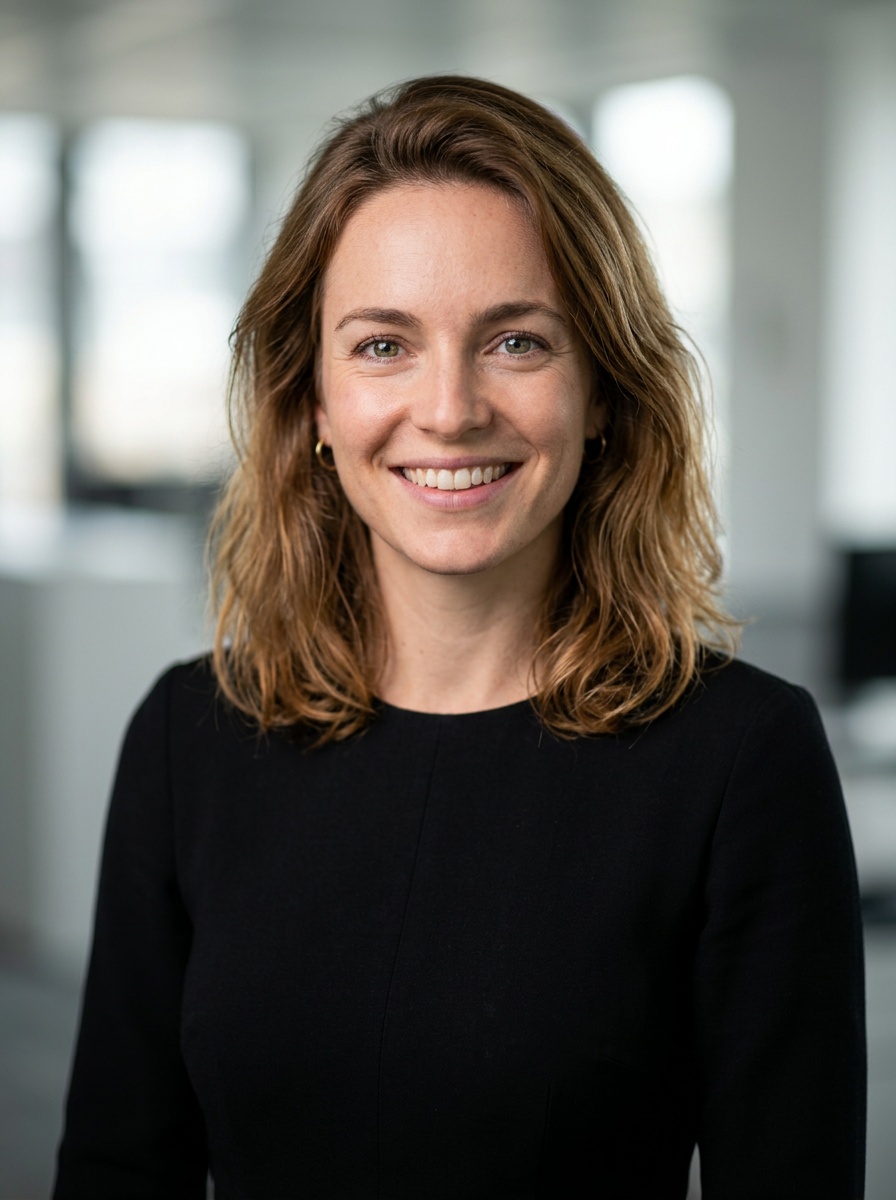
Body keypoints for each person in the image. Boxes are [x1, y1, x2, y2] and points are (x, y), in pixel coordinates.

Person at [53, 75, 865, 1199]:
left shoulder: (741, 760)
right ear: (313, 405)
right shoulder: (189, 740)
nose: (448, 409)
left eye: (516, 343)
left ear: (603, 394)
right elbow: (116, 1168)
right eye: (382, 346)